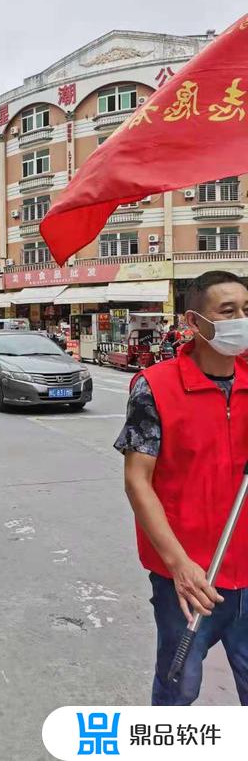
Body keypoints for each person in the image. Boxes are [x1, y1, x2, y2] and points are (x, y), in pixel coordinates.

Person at [116, 271, 248, 706]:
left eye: (247, 310)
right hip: (189, 579)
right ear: (194, 322)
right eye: (228, 312)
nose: (241, 320)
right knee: (179, 686)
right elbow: (138, 479)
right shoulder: (155, 387)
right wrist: (180, 565)